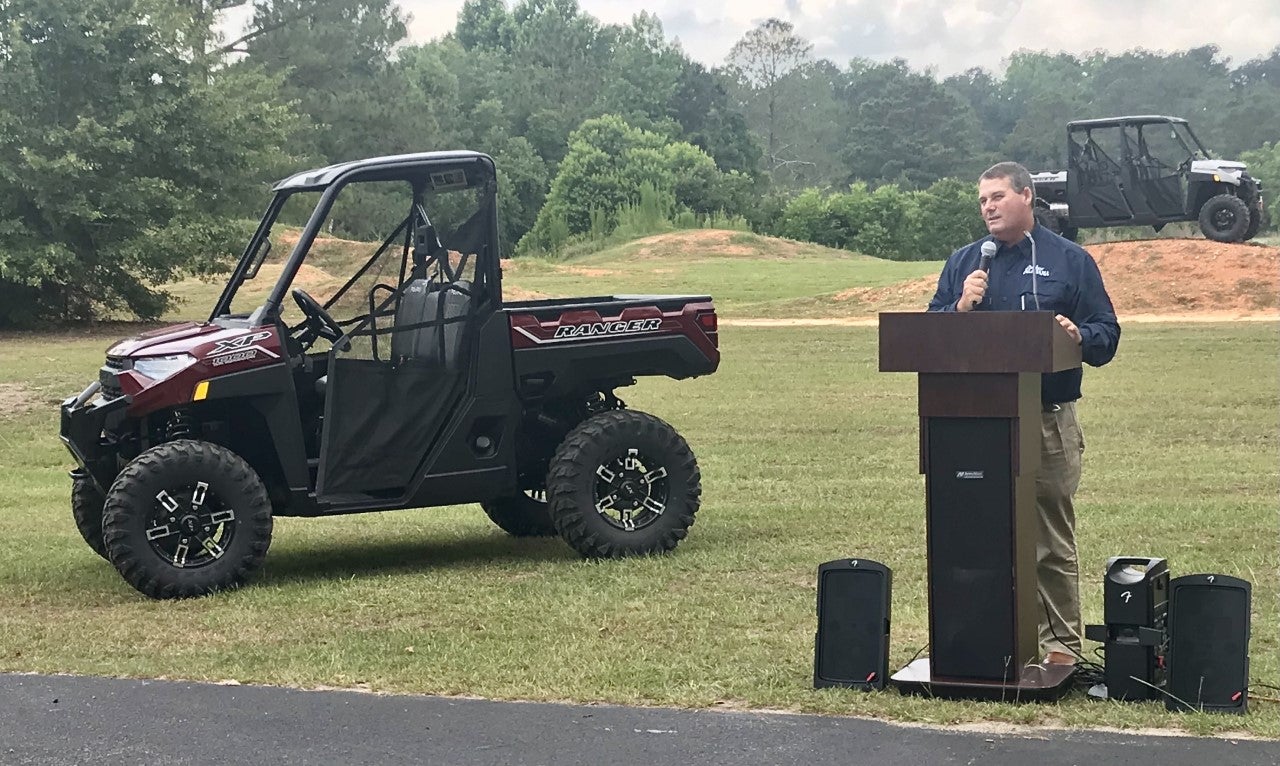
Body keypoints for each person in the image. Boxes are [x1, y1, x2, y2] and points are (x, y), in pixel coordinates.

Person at [926, 161, 1121, 666]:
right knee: (978, 536)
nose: (988, 207)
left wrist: (1079, 336)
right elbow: (928, 338)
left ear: (1027, 196)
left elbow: (1107, 334)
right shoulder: (967, 263)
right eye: (982, 201)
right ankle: (988, 645)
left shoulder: (1069, 260)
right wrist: (959, 310)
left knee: (1048, 540)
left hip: (1046, 419)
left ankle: (1061, 651)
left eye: (997, 197)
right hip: (974, 425)